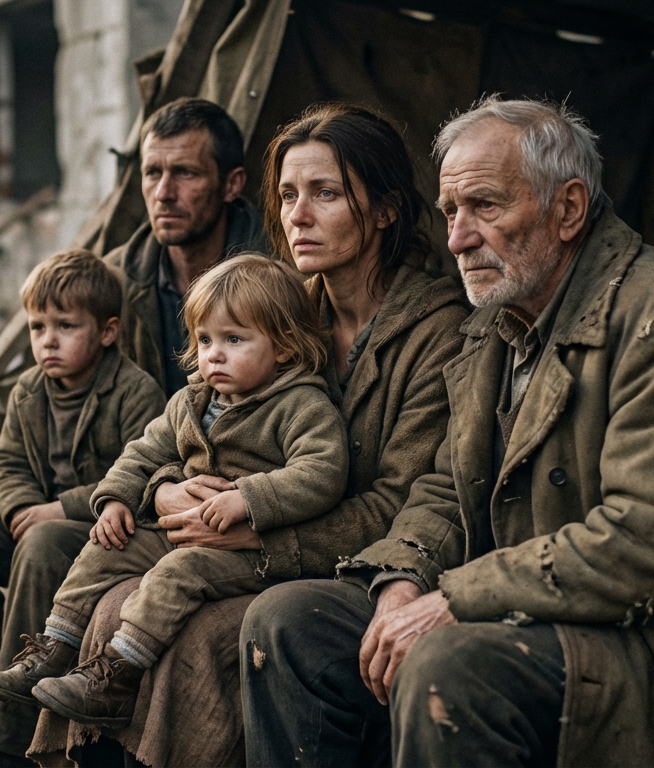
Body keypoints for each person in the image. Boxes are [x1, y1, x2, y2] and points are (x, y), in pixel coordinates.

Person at [241, 96, 654, 767]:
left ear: (568, 209)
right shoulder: (495, 322)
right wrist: (400, 581)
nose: (456, 238)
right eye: (451, 212)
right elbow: (447, 490)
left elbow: (647, 541)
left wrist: (454, 596)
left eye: (484, 206)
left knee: (449, 665)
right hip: (541, 611)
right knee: (287, 624)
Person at [25, 103, 469, 768]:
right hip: (227, 537)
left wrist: (258, 530)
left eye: (326, 193)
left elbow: (402, 503)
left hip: (348, 562)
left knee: (206, 634)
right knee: (118, 602)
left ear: (385, 210)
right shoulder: (285, 307)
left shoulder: (438, 332)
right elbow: (191, 426)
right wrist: (169, 491)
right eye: (288, 194)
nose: (297, 215)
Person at [0, 254, 347, 728]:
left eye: (235, 339)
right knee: (107, 546)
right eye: (206, 339)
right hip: (178, 528)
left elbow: (322, 471)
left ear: (283, 347)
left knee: (180, 571)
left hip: (245, 551)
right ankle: (57, 645)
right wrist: (114, 500)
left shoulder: (301, 405)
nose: (214, 354)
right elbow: (141, 454)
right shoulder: (192, 400)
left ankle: (117, 675)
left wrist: (249, 498)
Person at [0, 250, 165, 768]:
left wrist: (59, 509)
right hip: (35, 528)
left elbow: (137, 474)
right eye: (37, 326)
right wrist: (23, 506)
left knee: (43, 541)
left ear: (108, 332)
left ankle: (4, 744)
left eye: (66, 326)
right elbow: (6, 466)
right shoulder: (28, 391)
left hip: (101, 537)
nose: (47, 340)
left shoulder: (136, 392)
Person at [105, 97, 269, 396]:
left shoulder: (284, 280)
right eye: (153, 172)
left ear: (232, 185)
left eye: (185, 173)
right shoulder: (112, 282)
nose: (164, 193)